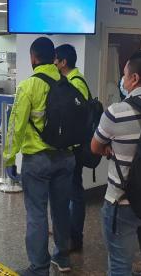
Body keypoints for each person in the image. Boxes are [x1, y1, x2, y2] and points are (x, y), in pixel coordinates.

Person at [91, 50, 141, 276]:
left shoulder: (117, 112)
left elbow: (95, 147)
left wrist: (114, 148)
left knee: (119, 264)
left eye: (125, 75)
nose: (123, 80)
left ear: (134, 79)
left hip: (123, 200)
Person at [3, 37, 75, 275]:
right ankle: (63, 257)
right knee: (61, 209)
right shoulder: (68, 81)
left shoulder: (29, 86)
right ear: (54, 57)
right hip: (66, 157)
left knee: (36, 214)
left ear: (33, 58)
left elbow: (16, 126)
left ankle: (39, 268)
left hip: (38, 160)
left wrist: (9, 159)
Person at [54, 44, 90, 252]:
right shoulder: (71, 80)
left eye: (55, 60)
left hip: (75, 146)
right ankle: (69, 231)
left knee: (75, 192)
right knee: (72, 191)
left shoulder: (76, 83)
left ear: (63, 62)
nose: (53, 63)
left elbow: (76, 116)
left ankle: (75, 237)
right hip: (72, 144)